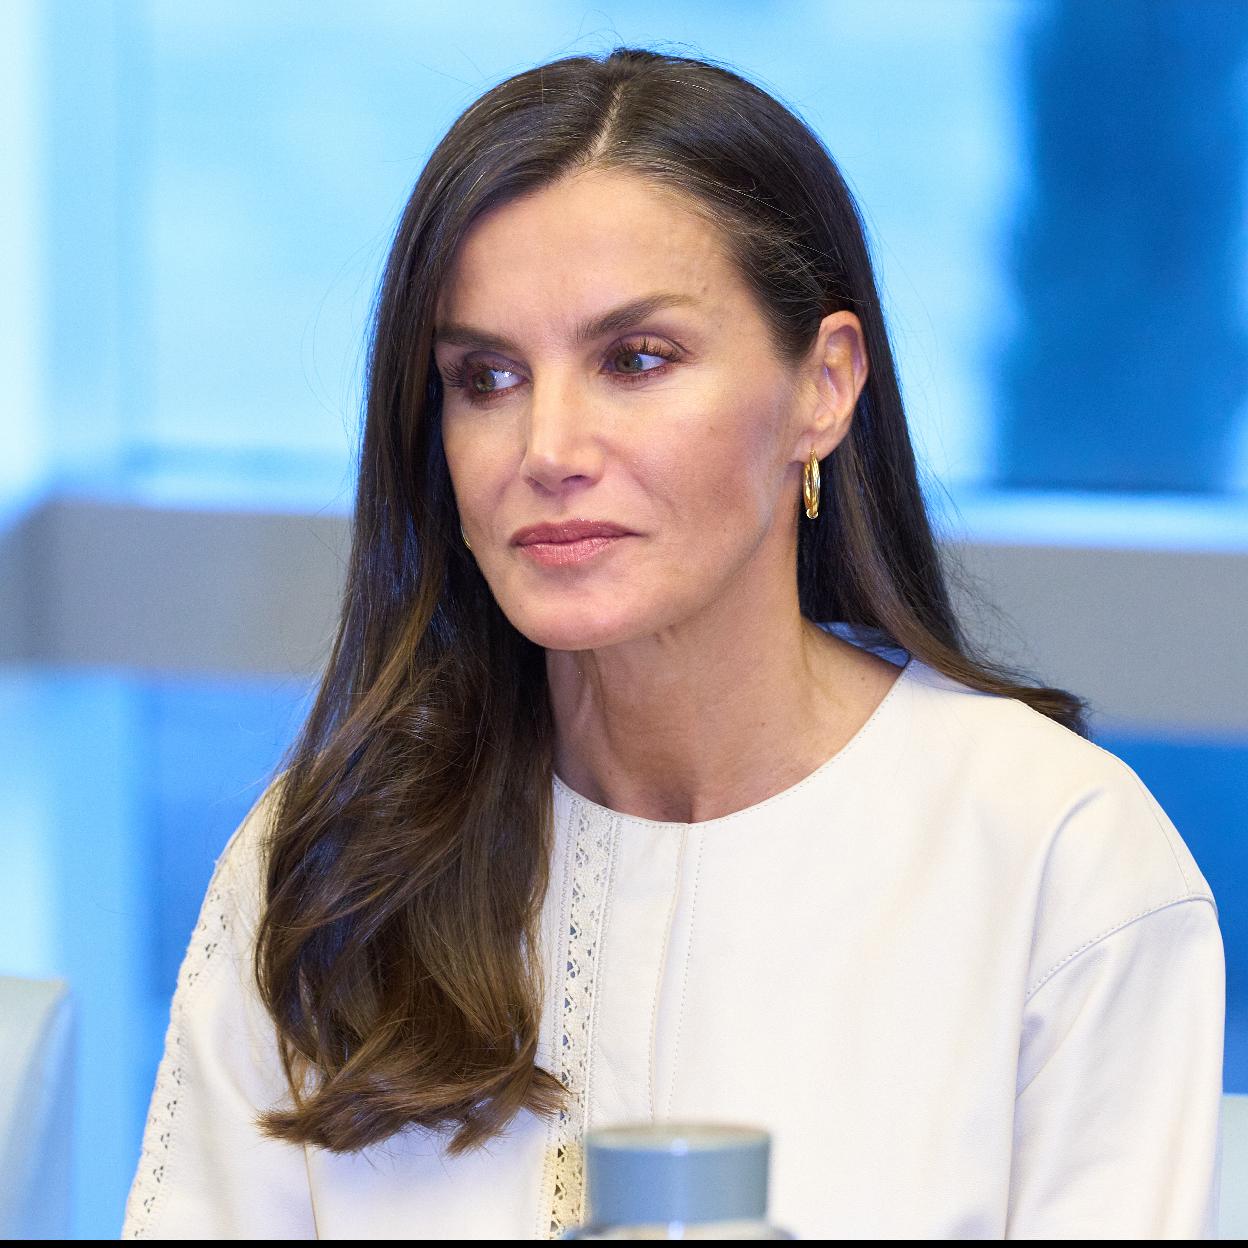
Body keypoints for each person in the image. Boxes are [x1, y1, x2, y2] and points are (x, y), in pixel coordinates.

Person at [121, 46, 1225, 1240]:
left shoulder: (1057, 858)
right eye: (483, 376)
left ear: (825, 387)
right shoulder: (333, 862)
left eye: (635, 360)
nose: (548, 446)